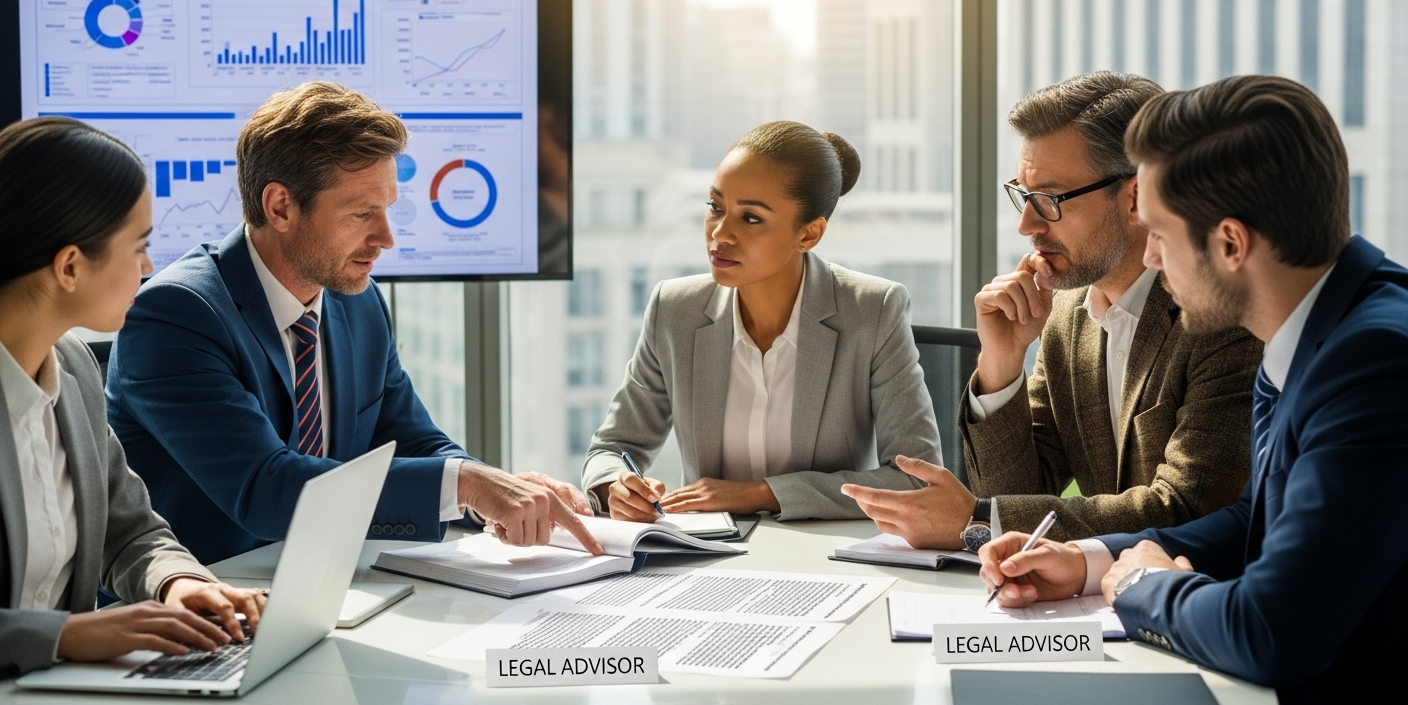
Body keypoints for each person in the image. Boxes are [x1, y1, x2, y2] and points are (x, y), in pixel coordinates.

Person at [978, 75, 1408, 701]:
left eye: (1159, 234)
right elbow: (1256, 521)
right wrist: (1091, 562)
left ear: (1230, 243)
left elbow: (1274, 633)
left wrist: (1140, 588)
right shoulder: (1311, 327)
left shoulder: (1375, 362)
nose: (1149, 260)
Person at [108, 82, 601, 564]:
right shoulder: (176, 314)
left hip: (321, 585)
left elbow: (410, 438)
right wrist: (465, 484)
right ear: (280, 206)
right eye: (362, 213)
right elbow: (266, 488)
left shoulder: (355, 302)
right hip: (197, 604)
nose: (386, 238)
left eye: (387, 210)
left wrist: (492, 488)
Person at [844, 72, 1261, 548]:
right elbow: (1022, 492)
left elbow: (1190, 509)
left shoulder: (1222, 318)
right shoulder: (1067, 312)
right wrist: (1001, 363)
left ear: (1136, 198)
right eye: (1023, 195)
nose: (1026, 224)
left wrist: (978, 518)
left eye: (1048, 199)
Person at [0, 117, 267, 678]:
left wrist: (179, 583)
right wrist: (65, 635)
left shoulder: (72, 367)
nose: (149, 268)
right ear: (70, 266)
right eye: (140, 247)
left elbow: (131, 531)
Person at [581, 121, 943, 521]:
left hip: (824, 556)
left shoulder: (873, 311)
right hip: (707, 556)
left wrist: (760, 494)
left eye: (750, 218)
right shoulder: (674, 309)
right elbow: (612, 448)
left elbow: (915, 481)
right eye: (716, 207)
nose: (720, 234)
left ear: (808, 235)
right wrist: (615, 485)